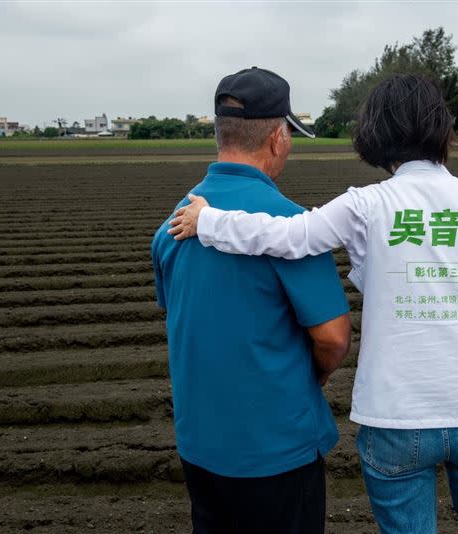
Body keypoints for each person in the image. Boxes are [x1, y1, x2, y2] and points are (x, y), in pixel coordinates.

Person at [169, 74, 458, 534]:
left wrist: (210, 221)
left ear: (376, 134)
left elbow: (291, 236)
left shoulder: (366, 205)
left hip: (395, 417)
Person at [151, 66, 352, 534]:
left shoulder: (174, 224)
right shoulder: (291, 226)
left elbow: (187, 314)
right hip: (276, 451)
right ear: (278, 139)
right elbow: (333, 337)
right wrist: (315, 376)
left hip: (199, 445)